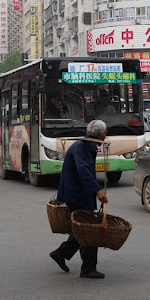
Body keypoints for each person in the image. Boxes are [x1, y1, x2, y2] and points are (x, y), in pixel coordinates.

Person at [49, 120, 109, 279]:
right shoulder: (81, 148)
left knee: (81, 228)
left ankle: (61, 253)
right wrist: (97, 190)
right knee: (88, 229)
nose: (105, 137)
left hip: (79, 193)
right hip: (76, 194)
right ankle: (88, 268)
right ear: (100, 135)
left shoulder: (87, 146)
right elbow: (83, 171)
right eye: (105, 134)